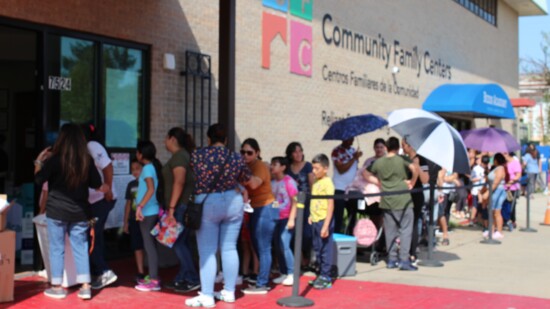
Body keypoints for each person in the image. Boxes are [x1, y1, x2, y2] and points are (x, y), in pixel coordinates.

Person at [185, 124, 251, 307]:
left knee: (207, 251)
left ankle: (207, 295)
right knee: (229, 248)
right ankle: (229, 292)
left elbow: (193, 175)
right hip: (233, 201)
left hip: (208, 203)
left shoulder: (198, 155)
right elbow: (247, 178)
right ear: (226, 140)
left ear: (208, 139)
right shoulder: (236, 157)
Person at [34, 123, 102, 300]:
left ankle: (57, 288)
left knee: (56, 249)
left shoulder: (55, 160)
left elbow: (39, 179)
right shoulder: (86, 160)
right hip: (79, 212)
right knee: (80, 247)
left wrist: (39, 161)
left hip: (56, 211)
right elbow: (96, 184)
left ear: (61, 139)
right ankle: (85, 287)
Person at [367, 137, 418, 271]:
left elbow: (365, 173)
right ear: (397, 148)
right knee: (405, 230)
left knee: (390, 231)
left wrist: (378, 182)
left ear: (386, 147)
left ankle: (392, 259)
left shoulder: (379, 162)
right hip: (403, 199)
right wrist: (412, 182)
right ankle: (404, 260)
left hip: (387, 199)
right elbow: (415, 169)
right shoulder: (402, 159)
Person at [162, 127, 200, 293]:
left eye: (166, 138)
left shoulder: (179, 157)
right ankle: (182, 278)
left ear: (172, 139)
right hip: (180, 206)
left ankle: (192, 278)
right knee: (181, 242)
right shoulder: (183, 155)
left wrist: (171, 209)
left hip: (179, 207)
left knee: (177, 242)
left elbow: (179, 181)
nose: (164, 141)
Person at [82, 125, 118, 290]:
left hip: (102, 199)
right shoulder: (83, 149)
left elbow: (107, 167)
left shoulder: (92, 146)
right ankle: (96, 271)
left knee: (93, 235)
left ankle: (103, 271)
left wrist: (108, 188)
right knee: (93, 235)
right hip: (93, 201)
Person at [241, 138, 277, 295]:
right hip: (255, 209)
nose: (245, 155)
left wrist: (239, 172)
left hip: (265, 208)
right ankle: (263, 278)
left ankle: (262, 283)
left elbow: (254, 184)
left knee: (263, 247)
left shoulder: (260, 166)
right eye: (242, 152)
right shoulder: (248, 166)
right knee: (257, 246)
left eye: (249, 152)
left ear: (257, 153)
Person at [134, 140, 163, 292]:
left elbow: (150, 189)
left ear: (141, 154)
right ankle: (153, 276)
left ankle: (153, 280)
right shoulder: (152, 167)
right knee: (150, 245)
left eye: (137, 152)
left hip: (148, 212)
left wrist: (140, 206)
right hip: (151, 211)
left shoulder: (147, 169)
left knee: (149, 246)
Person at [285, 142, 315, 269]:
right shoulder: (287, 167)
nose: (298, 154)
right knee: (293, 231)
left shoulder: (308, 166)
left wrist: (314, 202)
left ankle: (308, 256)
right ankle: (300, 257)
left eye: (300, 151)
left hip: (306, 202)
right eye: (295, 151)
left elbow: (312, 184)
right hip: (292, 203)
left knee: (307, 232)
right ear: (290, 154)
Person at [307, 154, 335, 289]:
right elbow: (315, 200)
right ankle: (320, 274)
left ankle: (326, 276)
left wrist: (326, 225)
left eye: (316, 168)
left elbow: (330, 204)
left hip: (324, 220)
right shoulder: (316, 182)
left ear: (325, 168)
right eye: (313, 168)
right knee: (317, 248)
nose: (314, 171)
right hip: (316, 219)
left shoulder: (328, 183)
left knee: (325, 249)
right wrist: (311, 215)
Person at [270, 156, 298, 286]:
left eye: (275, 164)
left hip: (287, 218)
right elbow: (276, 201)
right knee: (278, 246)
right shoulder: (272, 183)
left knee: (285, 245)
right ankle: (283, 272)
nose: (272, 166)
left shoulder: (289, 181)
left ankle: (292, 274)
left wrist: (292, 218)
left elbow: (295, 200)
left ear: (283, 167)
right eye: (272, 164)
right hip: (276, 218)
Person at [401, 138, 428, 266]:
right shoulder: (403, 159)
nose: (402, 148)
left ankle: (412, 252)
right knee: (404, 223)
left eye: (403, 146)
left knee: (413, 223)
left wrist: (417, 167)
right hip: (404, 195)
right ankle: (403, 250)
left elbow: (425, 179)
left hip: (416, 195)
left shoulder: (421, 159)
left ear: (410, 146)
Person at [331, 138, 362, 234]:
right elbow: (341, 169)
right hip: (339, 187)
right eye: (349, 138)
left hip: (352, 188)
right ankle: (336, 236)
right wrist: (353, 158)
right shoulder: (336, 151)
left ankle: (350, 235)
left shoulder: (353, 150)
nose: (351, 140)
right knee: (338, 215)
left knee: (353, 214)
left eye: (352, 138)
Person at [122, 159, 145, 282]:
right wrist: (125, 222)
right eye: (133, 169)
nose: (135, 171)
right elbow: (128, 204)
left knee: (147, 244)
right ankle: (140, 271)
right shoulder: (131, 185)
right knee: (137, 245)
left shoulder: (148, 183)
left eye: (137, 168)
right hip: (134, 218)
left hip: (146, 217)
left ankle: (152, 270)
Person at [483, 153, 508, 240]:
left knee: (495, 212)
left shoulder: (500, 169)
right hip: (496, 191)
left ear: (497, 160)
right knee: (494, 212)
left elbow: (496, 182)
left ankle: (498, 231)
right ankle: (492, 230)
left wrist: (488, 193)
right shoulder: (496, 168)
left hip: (497, 191)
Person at [503, 152, 521, 231]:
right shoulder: (504, 163)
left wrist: (512, 181)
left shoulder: (515, 163)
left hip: (512, 188)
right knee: (504, 205)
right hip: (503, 187)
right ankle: (505, 220)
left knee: (511, 206)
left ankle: (512, 220)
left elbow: (518, 175)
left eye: (504, 153)